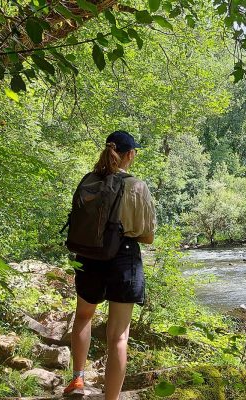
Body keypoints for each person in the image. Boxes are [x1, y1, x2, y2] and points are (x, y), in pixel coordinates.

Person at [63, 130, 155, 399]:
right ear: (130, 155)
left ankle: (78, 380)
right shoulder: (136, 186)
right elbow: (148, 236)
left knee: (82, 317)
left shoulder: (89, 181)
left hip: (89, 257)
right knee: (118, 336)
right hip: (123, 258)